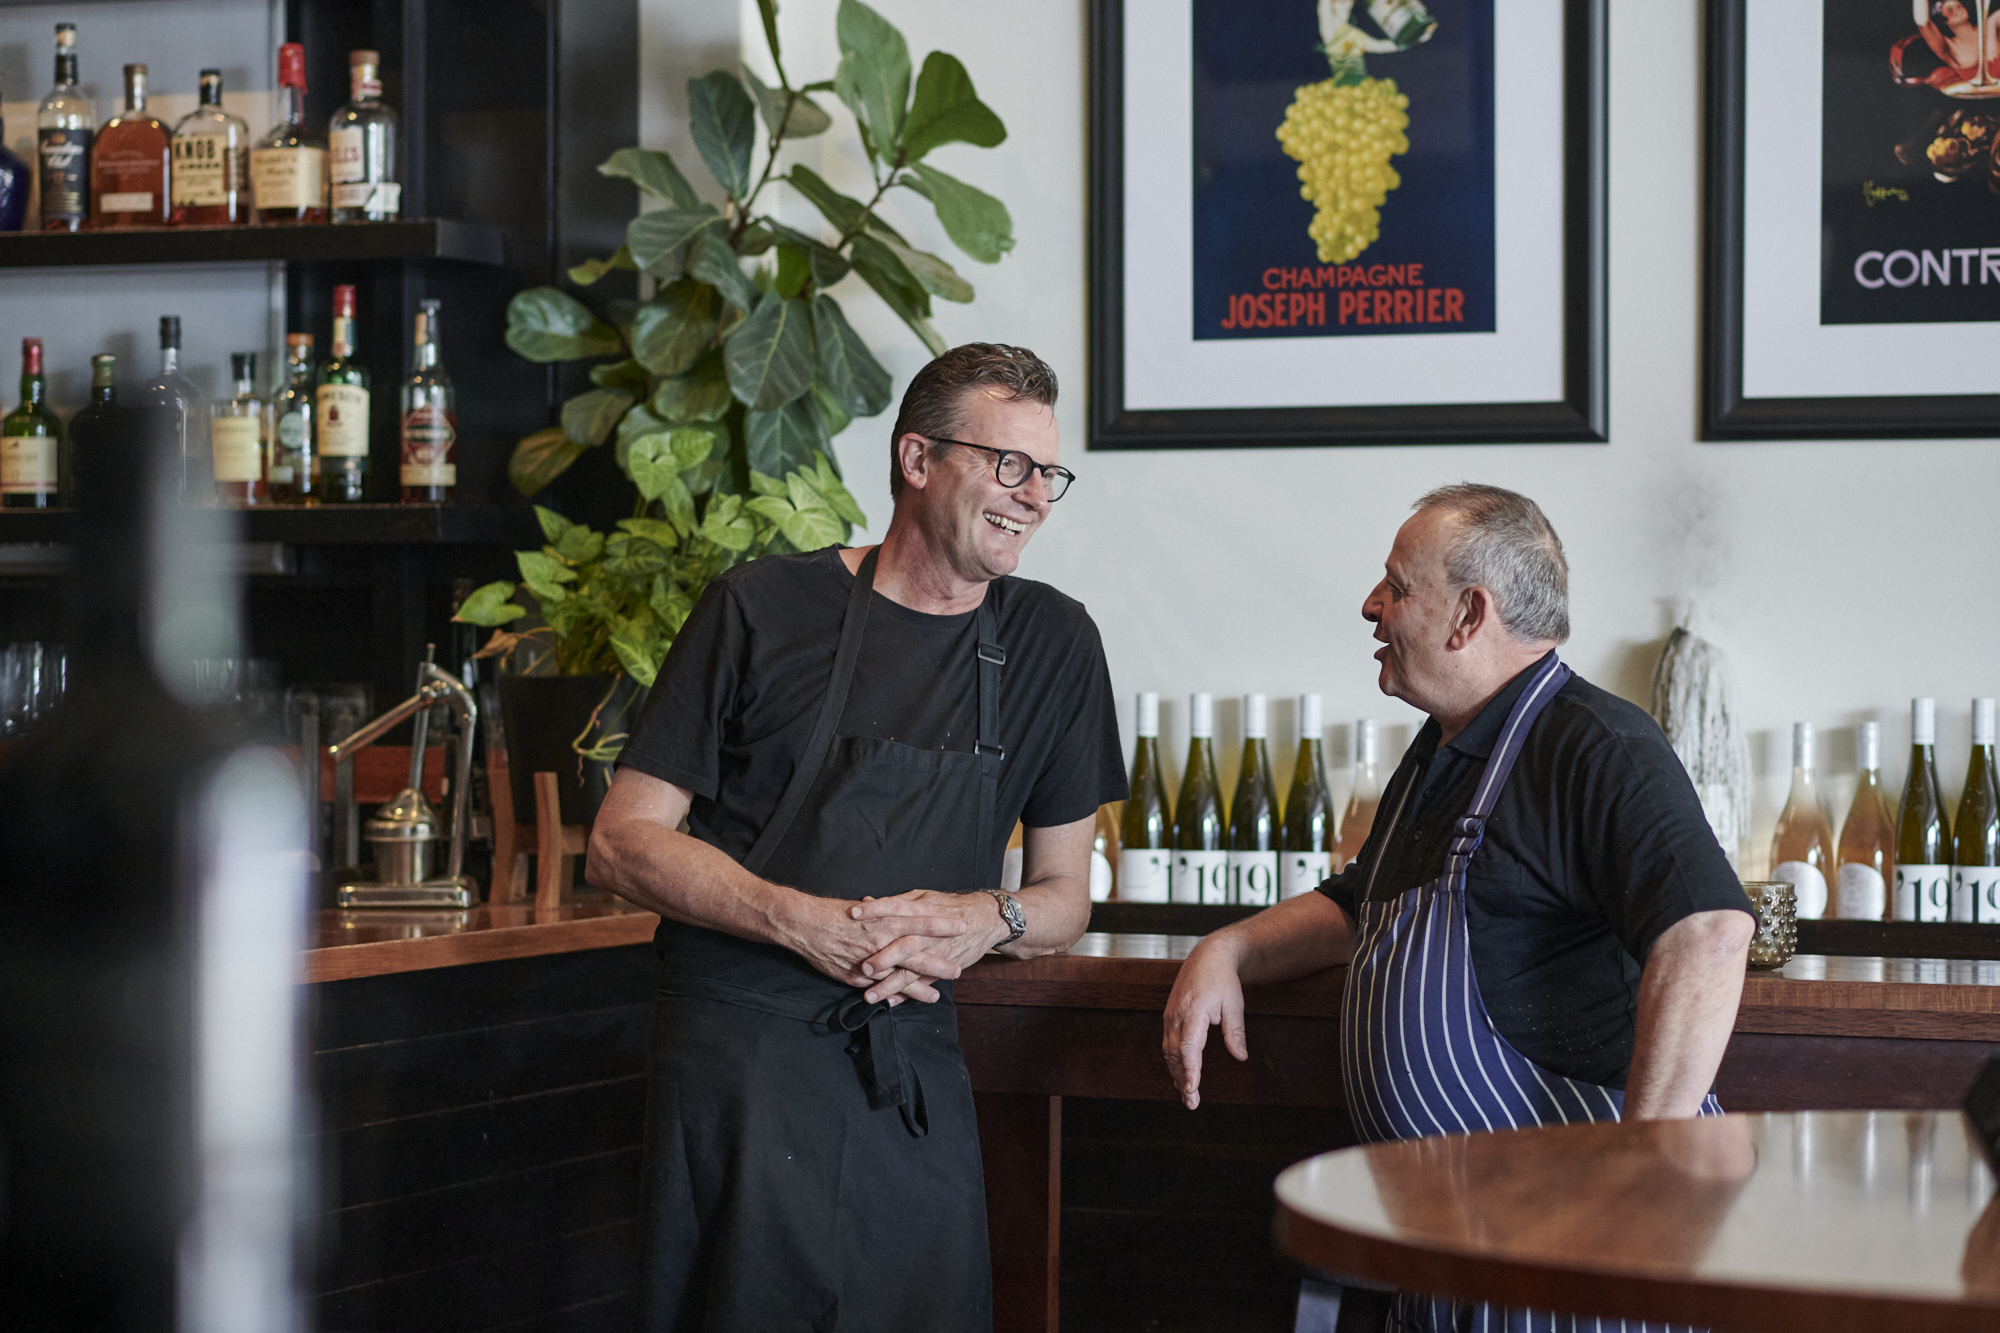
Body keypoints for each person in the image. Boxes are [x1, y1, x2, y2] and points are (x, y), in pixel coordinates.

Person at [588, 343, 1126, 1332]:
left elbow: (1062, 892)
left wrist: (986, 919)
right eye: (1008, 463)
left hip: (906, 1072)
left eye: (1048, 474)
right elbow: (623, 841)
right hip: (743, 1060)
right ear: (917, 460)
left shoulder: (1055, 644)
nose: (1033, 495)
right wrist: (797, 919)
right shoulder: (760, 609)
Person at [1162, 484, 1756, 1333]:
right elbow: (1357, 906)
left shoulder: (1599, 741)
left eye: (1397, 586)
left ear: (1469, 614)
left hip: (1581, 1257)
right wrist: (1228, 950)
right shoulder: (1445, 748)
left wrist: (1642, 1167)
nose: (1371, 605)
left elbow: (1707, 931)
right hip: (1464, 1250)